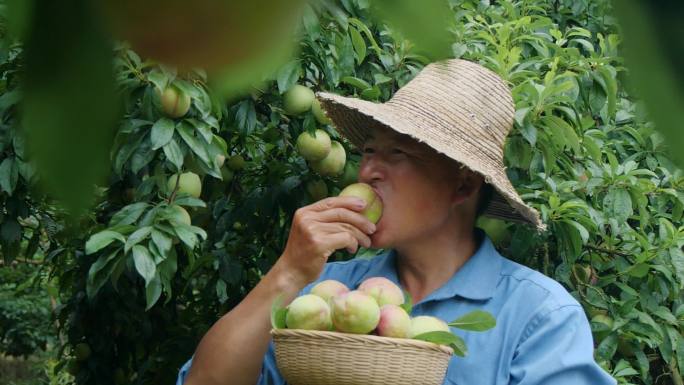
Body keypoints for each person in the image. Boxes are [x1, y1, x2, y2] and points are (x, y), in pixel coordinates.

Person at [176, 59, 616, 385]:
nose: (367, 173)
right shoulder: (328, 292)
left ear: (462, 186)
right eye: (368, 151)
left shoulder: (537, 318)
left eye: (398, 154)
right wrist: (289, 271)